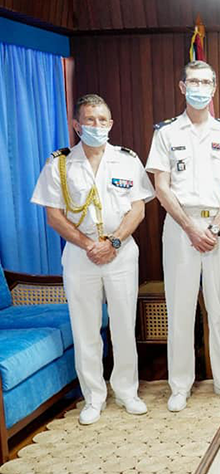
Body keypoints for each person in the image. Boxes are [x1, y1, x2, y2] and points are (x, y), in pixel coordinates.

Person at [31, 94, 154, 425]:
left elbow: (138, 208)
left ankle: (127, 391)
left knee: (124, 325)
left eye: (102, 120)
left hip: (121, 251)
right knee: (85, 328)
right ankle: (93, 397)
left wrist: (112, 242)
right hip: (80, 255)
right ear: (76, 124)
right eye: (89, 120)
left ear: (111, 124)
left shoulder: (127, 160)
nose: (96, 126)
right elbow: (54, 216)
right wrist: (89, 244)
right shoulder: (58, 163)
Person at [145, 60, 220, 412]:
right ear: (182, 86)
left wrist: (215, 228)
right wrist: (191, 227)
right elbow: (161, 187)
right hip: (180, 229)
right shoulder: (166, 133)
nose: (200, 87)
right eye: (193, 81)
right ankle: (180, 385)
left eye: (206, 82)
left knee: (218, 308)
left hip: (219, 228)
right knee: (180, 309)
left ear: (214, 88)